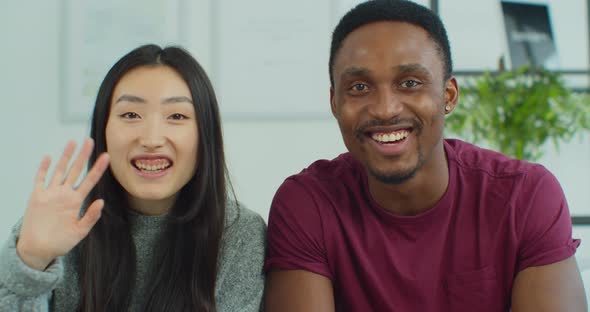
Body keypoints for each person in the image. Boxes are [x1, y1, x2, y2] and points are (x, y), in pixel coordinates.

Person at [264, 1, 587, 311]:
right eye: (359, 87)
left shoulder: (525, 195)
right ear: (335, 103)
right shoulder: (308, 204)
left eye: (410, 83)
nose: (385, 109)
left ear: (448, 95)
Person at [0, 44, 266, 311]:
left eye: (176, 116)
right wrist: (30, 262)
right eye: (130, 115)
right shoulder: (55, 224)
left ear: (205, 134)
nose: (151, 139)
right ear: (103, 130)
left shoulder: (239, 234)